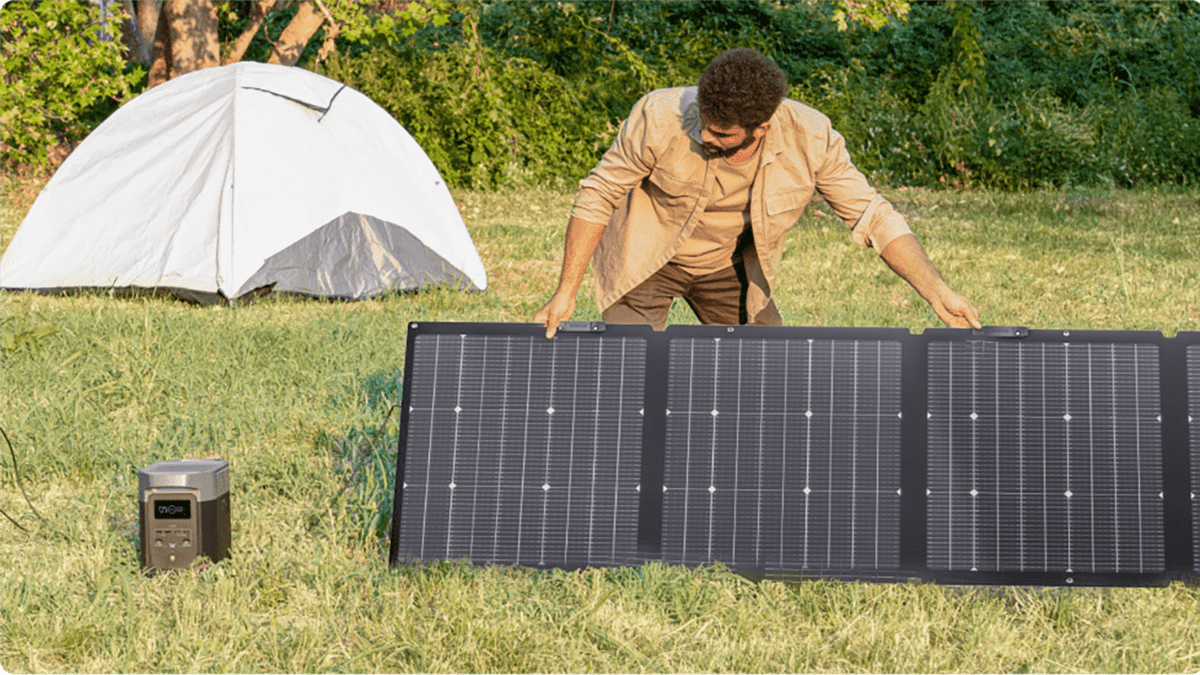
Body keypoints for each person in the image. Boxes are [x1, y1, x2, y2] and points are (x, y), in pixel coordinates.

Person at [534, 48, 980, 338]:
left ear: (761, 128)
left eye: (722, 133)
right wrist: (565, 292)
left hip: (728, 268)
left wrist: (937, 291)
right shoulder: (659, 115)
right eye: (704, 122)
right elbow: (598, 194)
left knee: (766, 374)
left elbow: (874, 216)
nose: (706, 136)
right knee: (627, 372)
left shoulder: (811, 137)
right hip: (645, 259)